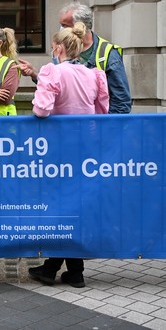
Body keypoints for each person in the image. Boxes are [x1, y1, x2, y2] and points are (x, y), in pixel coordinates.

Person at [28, 22, 109, 287]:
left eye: (52, 48)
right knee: (75, 208)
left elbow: (41, 109)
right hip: (86, 148)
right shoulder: (93, 74)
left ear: (60, 49)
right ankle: (73, 272)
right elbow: (102, 111)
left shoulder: (53, 71)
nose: (52, 52)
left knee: (62, 209)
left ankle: (54, 269)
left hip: (59, 150)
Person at [19, 1, 131, 114]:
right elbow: (60, 86)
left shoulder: (108, 53)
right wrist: (35, 74)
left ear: (81, 26)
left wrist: (107, 128)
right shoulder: (64, 49)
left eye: (65, 25)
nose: (61, 29)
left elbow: (121, 101)